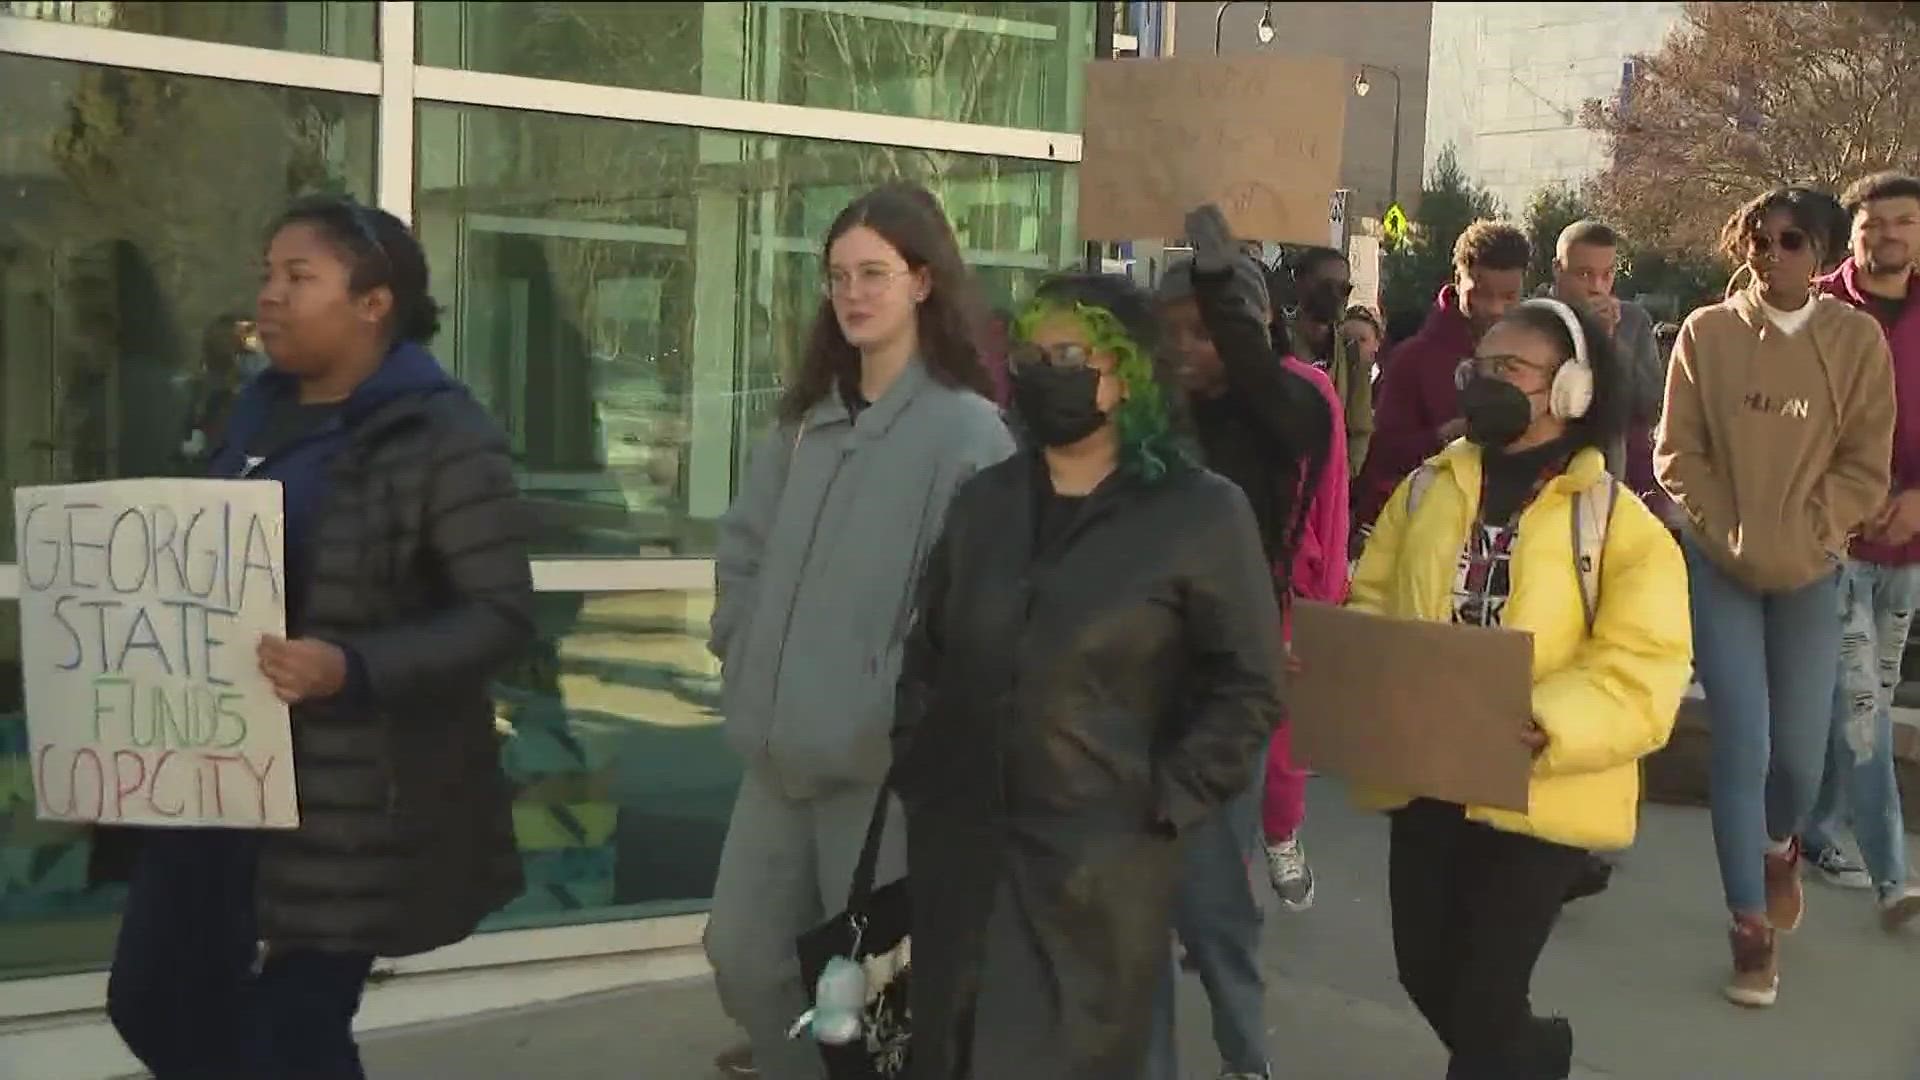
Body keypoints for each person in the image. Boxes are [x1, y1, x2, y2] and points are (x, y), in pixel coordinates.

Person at [105, 195, 534, 1078]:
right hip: (214, 776)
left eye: (299, 276)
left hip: (346, 801)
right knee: (151, 998)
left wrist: (354, 667)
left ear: (373, 302)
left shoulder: (442, 434)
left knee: (290, 1035)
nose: (269, 294)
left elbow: (498, 614)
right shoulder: (249, 415)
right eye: (268, 272)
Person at [893, 272, 1283, 1080]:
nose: (1043, 371)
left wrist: (1159, 805)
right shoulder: (987, 504)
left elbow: (1248, 685)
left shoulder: (1199, 514)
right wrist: (924, 767)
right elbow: (929, 650)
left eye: (1068, 353)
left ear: (1129, 371)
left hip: (1096, 875)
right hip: (966, 862)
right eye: (1031, 354)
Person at [704, 182, 1014, 1080]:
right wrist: (745, 645)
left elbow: (972, 616)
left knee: (873, 1008)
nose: (853, 293)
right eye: (839, 275)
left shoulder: (969, 434)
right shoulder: (807, 423)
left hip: (881, 780)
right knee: (745, 956)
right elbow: (743, 551)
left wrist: (886, 708)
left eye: (875, 272)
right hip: (777, 757)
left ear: (923, 282)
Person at [1351, 297, 1692, 1080]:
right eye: (1481, 367)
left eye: (1511, 370)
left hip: (1539, 788)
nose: (1484, 383)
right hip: (1430, 773)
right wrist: (1349, 672)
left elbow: (1645, 667)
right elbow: (1372, 603)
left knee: (1483, 1004)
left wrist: (1546, 721)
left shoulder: (1621, 525)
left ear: (1570, 391)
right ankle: (1541, 1054)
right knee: (1425, 974)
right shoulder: (1424, 491)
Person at [1656, 187, 1896, 1008]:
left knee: (1796, 758)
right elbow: (1676, 451)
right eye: (1759, 239)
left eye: (1792, 241)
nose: (1771, 254)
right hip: (1720, 565)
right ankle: (1748, 931)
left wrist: (1817, 531)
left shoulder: (1856, 340)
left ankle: (1778, 846)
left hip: (1809, 573)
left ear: (1824, 254)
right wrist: (1724, 530)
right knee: (1742, 745)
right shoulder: (1707, 332)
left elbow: (1868, 461)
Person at [1148, 206, 1339, 1080]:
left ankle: (1244, 1057)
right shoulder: (1141, 420)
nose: (1188, 349)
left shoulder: (1285, 408)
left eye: (1207, 331)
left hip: (1226, 687)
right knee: (1134, 907)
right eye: (1170, 333)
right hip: (1135, 680)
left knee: (1215, 895)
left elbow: (1273, 399)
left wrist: (1226, 285)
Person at [1799, 172, 1920, 925]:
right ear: (1852, 235)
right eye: (1872, 224)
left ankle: (1815, 831)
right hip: (1831, 542)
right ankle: (1892, 874)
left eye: (1902, 221)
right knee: (1864, 701)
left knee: (1863, 690)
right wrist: (1850, 497)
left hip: (1907, 547)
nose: (1886, 236)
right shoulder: (1813, 308)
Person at [1354, 221, 1530, 540]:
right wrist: (1446, 435)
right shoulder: (1413, 359)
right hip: (1421, 532)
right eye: (1479, 294)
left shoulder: (1535, 358)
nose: (1493, 309)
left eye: (1508, 297)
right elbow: (1380, 456)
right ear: (1457, 280)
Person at [1286, 246, 1373, 475]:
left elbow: (1360, 427)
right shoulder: (1277, 344)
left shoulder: (1350, 355)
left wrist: (1344, 473)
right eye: (1326, 287)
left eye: (1344, 288)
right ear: (1301, 284)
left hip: (1330, 484)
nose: (1336, 296)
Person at [1340, 305, 1385, 384]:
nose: (1353, 344)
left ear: (1377, 343)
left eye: (1362, 340)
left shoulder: (1385, 382)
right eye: (1347, 340)